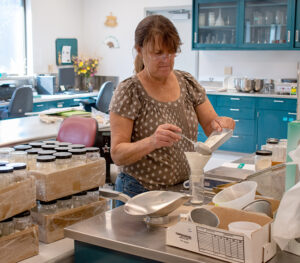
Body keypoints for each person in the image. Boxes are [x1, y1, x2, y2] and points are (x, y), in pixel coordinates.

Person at [109, 15, 235, 205]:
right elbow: (118, 154)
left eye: (172, 52)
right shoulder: (129, 91)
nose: (166, 60)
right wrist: (152, 141)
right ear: (139, 50)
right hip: (139, 192)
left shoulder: (187, 83)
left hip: (180, 190)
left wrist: (223, 124)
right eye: (158, 53)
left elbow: (211, 127)